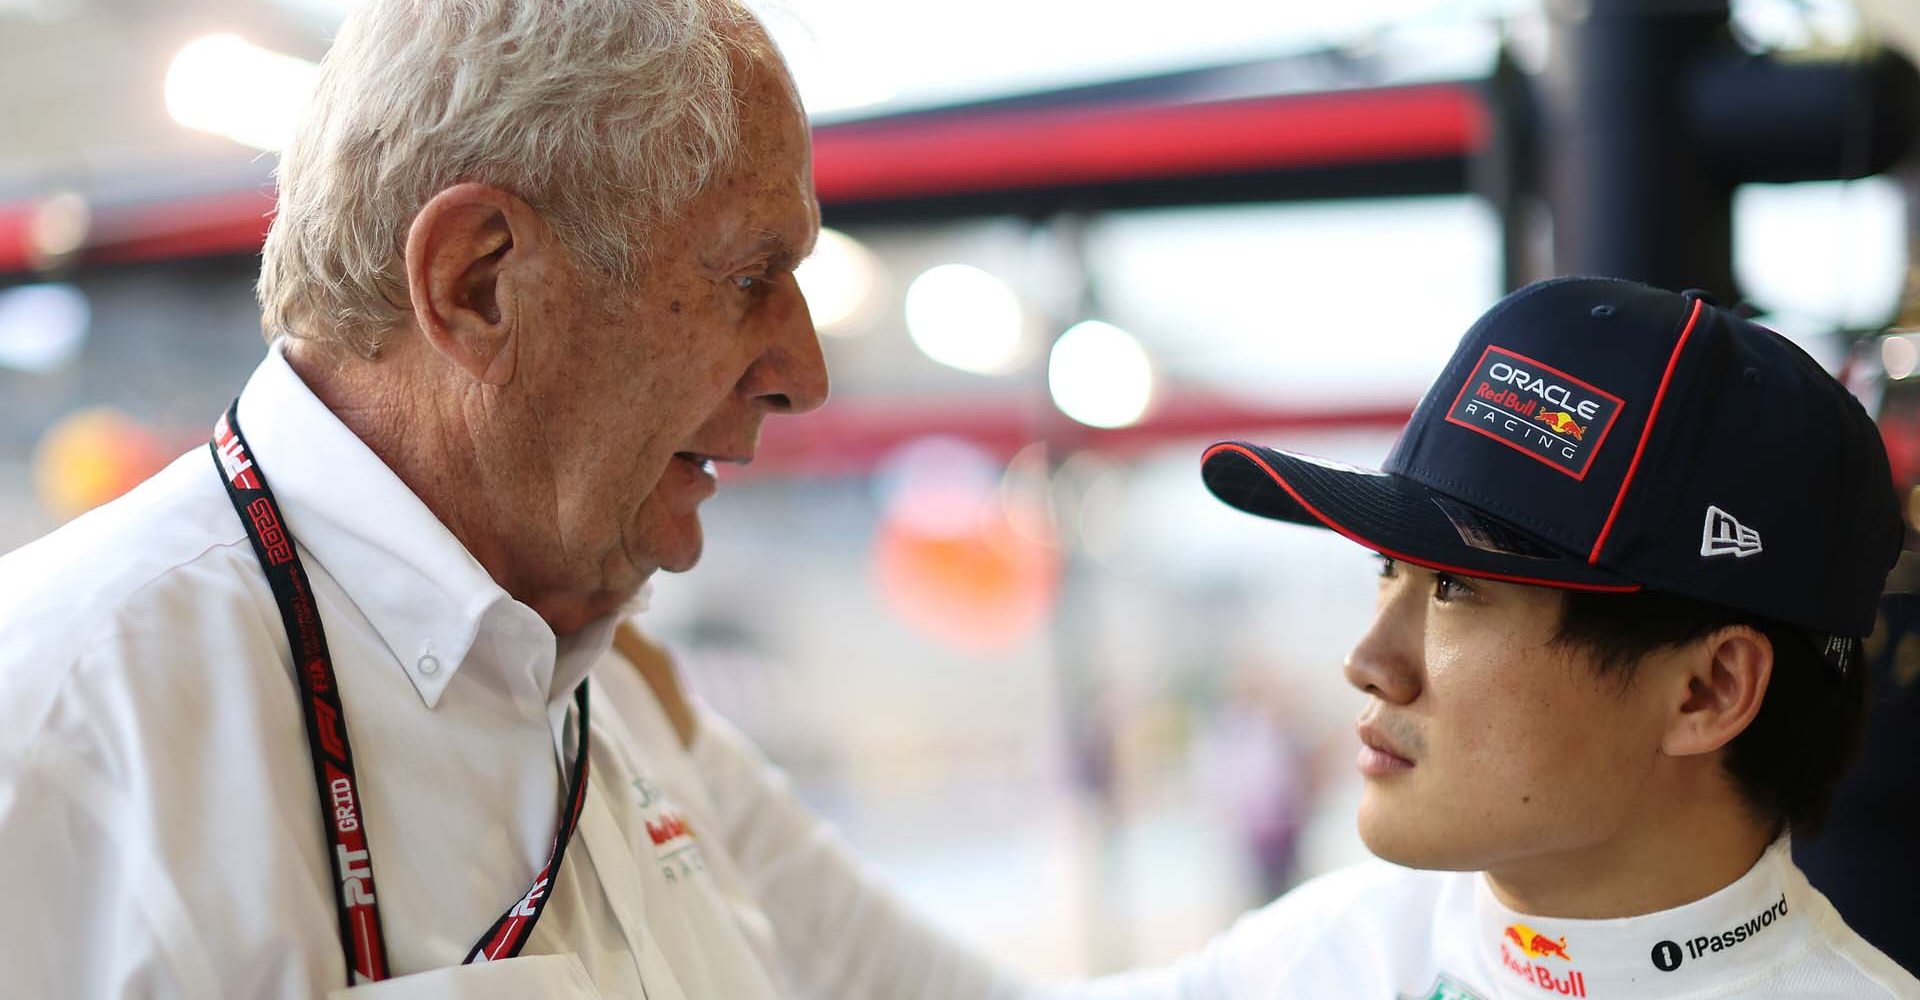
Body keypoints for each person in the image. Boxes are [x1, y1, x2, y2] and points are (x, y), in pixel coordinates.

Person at [618, 277, 1920, 998]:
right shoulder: (1359, 944)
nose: (1370, 659)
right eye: (1388, 572)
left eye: (1460, 592)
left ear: (1707, 691)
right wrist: (686, 749)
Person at [0, 1, 827, 997]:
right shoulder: (63, 731)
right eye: (749, 276)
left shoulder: (599, 685)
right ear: (476, 282)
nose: (804, 375)